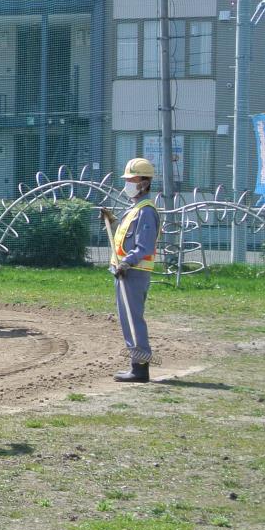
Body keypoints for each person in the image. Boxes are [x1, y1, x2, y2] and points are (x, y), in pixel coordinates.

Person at [104, 157, 161, 383]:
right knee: (128, 319)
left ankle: (139, 368)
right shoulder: (136, 208)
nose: (127, 183)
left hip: (133, 272)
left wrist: (126, 262)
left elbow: (144, 246)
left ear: (144, 183)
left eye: (132, 179)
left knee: (132, 319)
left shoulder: (145, 210)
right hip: (126, 272)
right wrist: (112, 221)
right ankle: (136, 365)